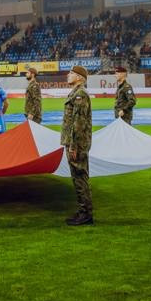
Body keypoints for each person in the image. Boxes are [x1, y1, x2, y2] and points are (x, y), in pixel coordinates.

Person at [61, 65, 94, 226]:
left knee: (80, 178)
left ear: (80, 77)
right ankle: (83, 211)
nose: (68, 75)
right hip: (74, 142)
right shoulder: (75, 93)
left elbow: (78, 123)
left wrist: (73, 146)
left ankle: (86, 214)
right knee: (77, 177)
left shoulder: (80, 94)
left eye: (71, 73)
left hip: (77, 143)